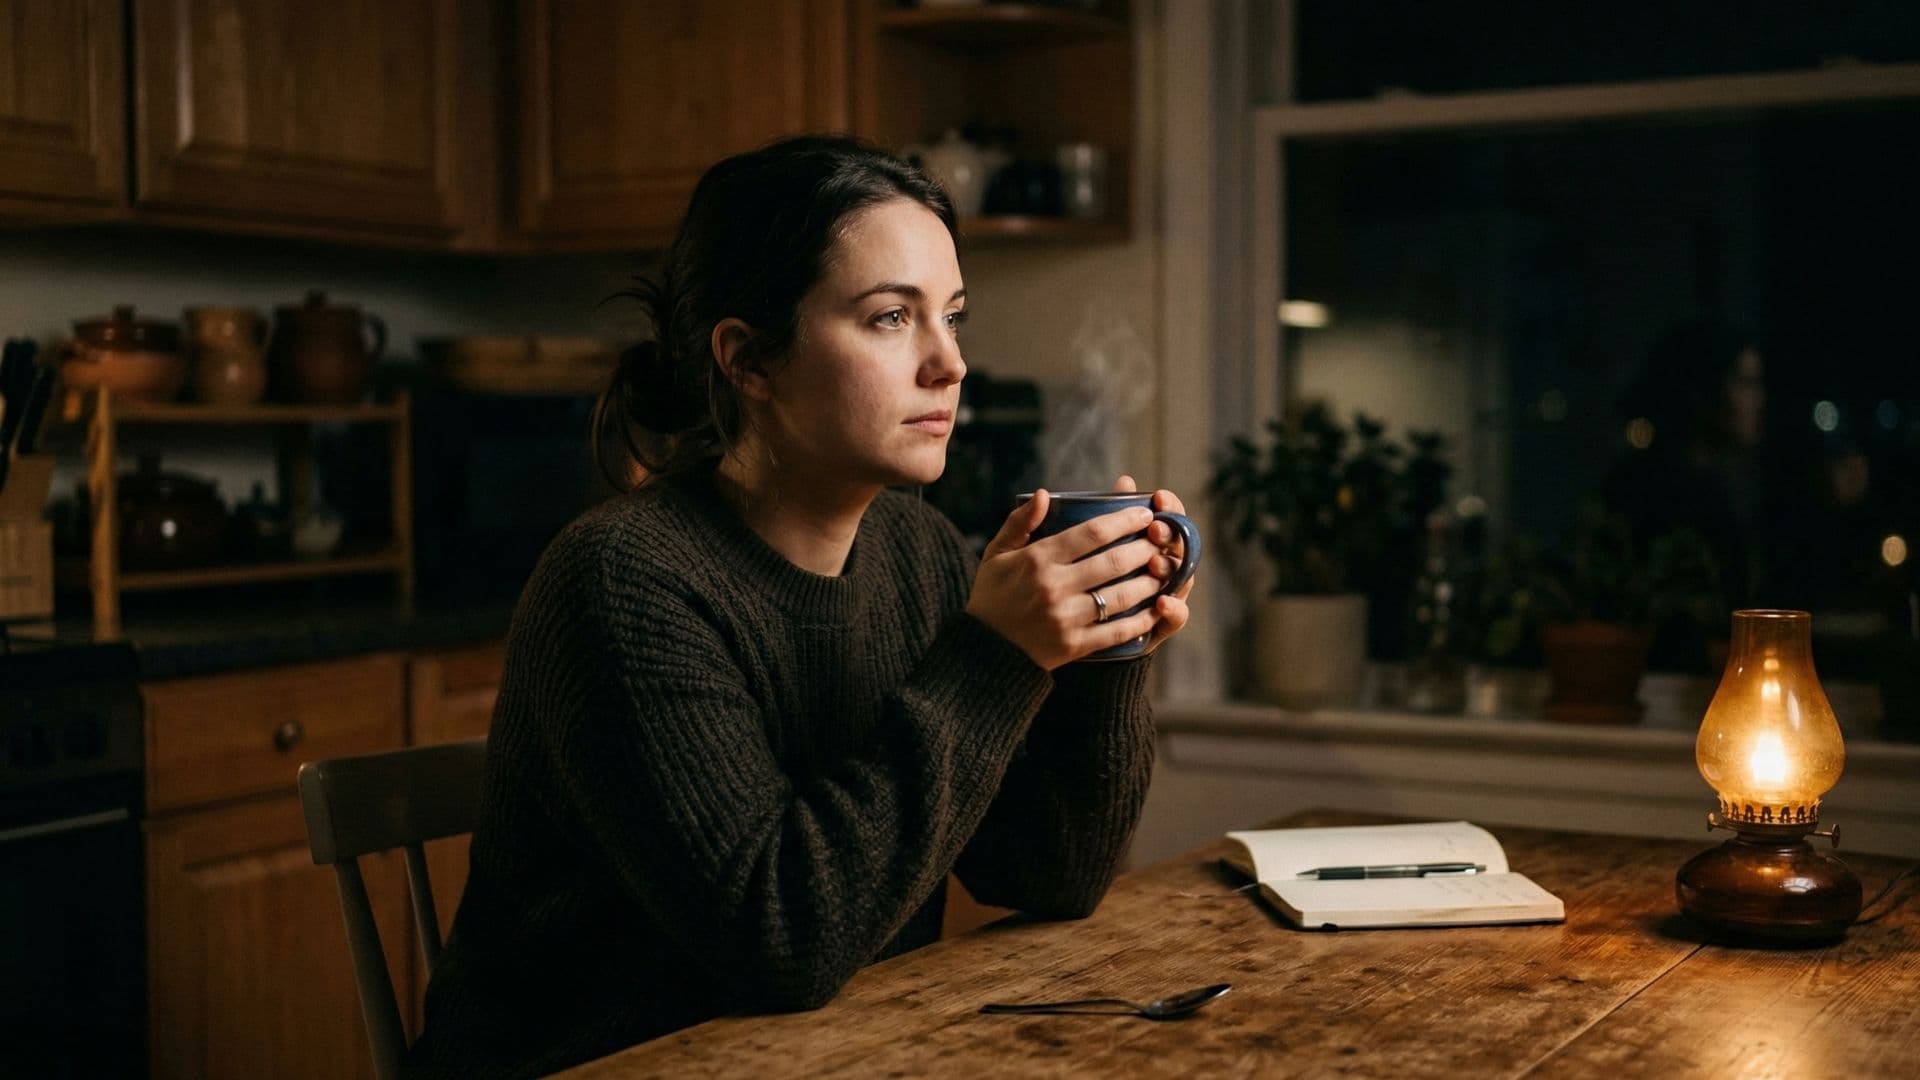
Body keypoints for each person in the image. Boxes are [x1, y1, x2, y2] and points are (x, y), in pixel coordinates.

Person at [405, 136, 1194, 1078]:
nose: (950, 365)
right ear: (749, 361)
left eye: (953, 316)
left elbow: (1050, 874)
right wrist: (995, 656)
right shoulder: (623, 581)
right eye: (891, 318)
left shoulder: (920, 552)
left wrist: (1104, 644)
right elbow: (784, 938)